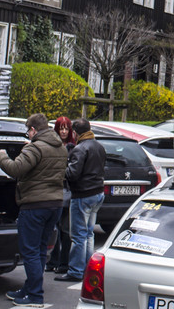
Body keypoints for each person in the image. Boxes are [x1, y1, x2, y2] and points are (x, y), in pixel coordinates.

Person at [0, 113, 68, 307]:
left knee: (30, 251)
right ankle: (28, 288)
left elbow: (15, 169)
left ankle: (35, 296)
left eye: (28, 131)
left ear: (33, 130)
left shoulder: (35, 147)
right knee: (41, 250)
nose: (28, 135)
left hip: (35, 205)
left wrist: (1, 155)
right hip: (55, 204)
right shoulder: (60, 147)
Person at [58, 118, 107, 283]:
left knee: (78, 235)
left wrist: (64, 165)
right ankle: (87, 267)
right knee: (88, 233)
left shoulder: (80, 148)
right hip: (98, 193)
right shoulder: (99, 146)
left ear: (75, 132)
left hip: (83, 194)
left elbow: (72, 174)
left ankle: (76, 270)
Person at [45, 116, 76, 274]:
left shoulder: (73, 147)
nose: (64, 131)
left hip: (67, 192)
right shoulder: (51, 145)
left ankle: (64, 263)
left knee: (65, 230)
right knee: (53, 228)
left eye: (66, 128)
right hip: (54, 191)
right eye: (61, 128)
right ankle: (53, 261)